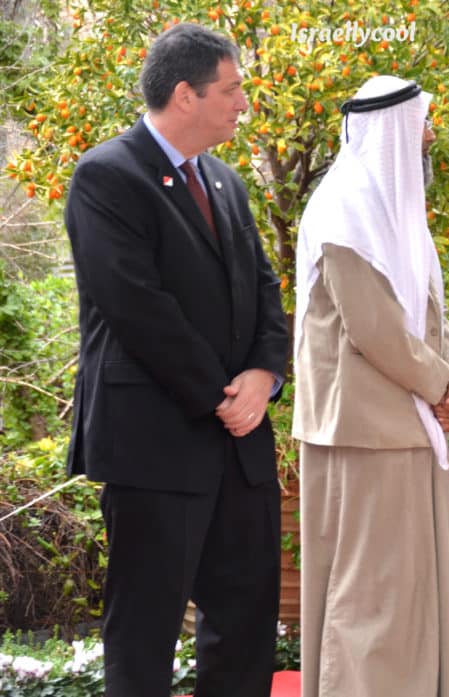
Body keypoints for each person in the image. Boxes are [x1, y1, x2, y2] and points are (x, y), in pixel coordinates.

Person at [63, 23, 289, 697]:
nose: (243, 103)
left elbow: (267, 290)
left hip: (239, 445)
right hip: (154, 444)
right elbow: (137, 307)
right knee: (144, 632)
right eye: (232, 89)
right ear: (185, 95)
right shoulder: (106, 175)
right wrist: (224, 395)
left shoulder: (226, 182)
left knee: (247, 625)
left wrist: (264, 375)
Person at [292, 76, 449, 697]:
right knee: (372, 601)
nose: (430, 136)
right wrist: (439, 385)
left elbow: (429, 309)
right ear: (393, 131)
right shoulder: (344, 210)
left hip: (410, 424)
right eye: (424, 123)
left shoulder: (397, 215)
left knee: (412, 594)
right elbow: (373, 328)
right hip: (363, 432)